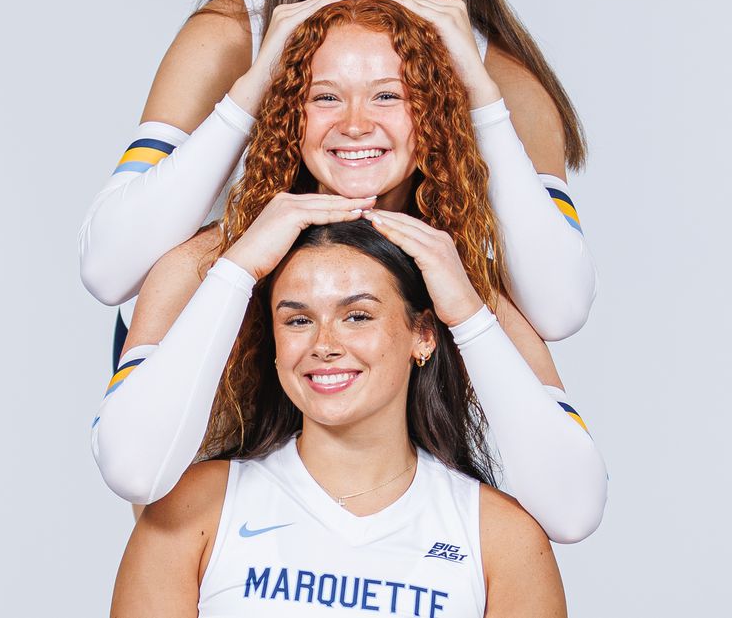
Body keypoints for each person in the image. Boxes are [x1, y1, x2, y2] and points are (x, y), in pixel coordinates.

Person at [80, 0, 597, 370]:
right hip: (204, 348)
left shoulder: (498, 76)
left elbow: (560, 308)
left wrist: (482, 99)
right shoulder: (233, 35)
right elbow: (109, 269)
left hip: (374, 355)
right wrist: (254, 85)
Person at [94, 0, 606, 543]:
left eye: (388, 95)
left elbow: (573, 511)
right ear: (292, 114)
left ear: (431, 115)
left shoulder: (464, 281)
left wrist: (467, 313)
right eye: (326, 97)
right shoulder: (199, 266)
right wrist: (240, 267)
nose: (356, 124)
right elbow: (133, 470)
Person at [111, 217, 566, 617]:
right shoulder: (192, 508)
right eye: (298, 321)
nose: (324, 345)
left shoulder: (502, 539)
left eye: (357, 316)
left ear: (423, 335)